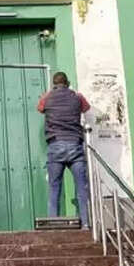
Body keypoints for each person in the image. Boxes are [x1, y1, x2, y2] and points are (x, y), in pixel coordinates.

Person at [37, 72, 92, 229]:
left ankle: (54, 225)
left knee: (54, 188)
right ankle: (86, 224)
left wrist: (50, 93)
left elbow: (40, 108)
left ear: (54, 84)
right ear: (67, 83)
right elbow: (86, 107)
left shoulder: (47, 97)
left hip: (56, 146)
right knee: (81, 187)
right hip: (75, 145)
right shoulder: (77, 97)